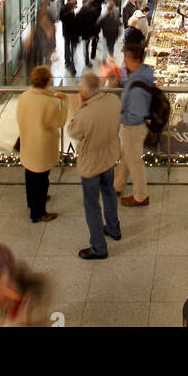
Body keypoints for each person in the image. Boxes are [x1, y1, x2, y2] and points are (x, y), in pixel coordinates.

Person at [67, 69, 123, 259]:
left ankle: (99, 247)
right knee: (109, 193)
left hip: (91, 164)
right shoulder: (113, 101)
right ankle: (114, 228)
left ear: (86, 91)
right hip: (109, 156)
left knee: (92, 205)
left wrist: (77, 109)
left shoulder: (86, 113)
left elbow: (73, 132)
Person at [16, 65, 69, 222]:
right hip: (42, 147)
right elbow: (60, 121)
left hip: (27, 143)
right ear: (47, 81)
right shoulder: (49, 103)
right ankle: (38, 213)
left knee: (30, 174)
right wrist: (64, 103)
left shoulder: (24, 96)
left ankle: (31, 202)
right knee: (42, 179)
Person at [114, 41, 154, 207]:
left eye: (126, 59)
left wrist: (121, 116)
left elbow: (137, 111)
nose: (124, 62)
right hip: (134, 126)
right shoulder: (143, 73)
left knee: (134, 161)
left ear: (134, 60)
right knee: (127, 157)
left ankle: (140, 195)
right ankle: (116, 186)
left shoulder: (138, 86)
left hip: (133, 127)